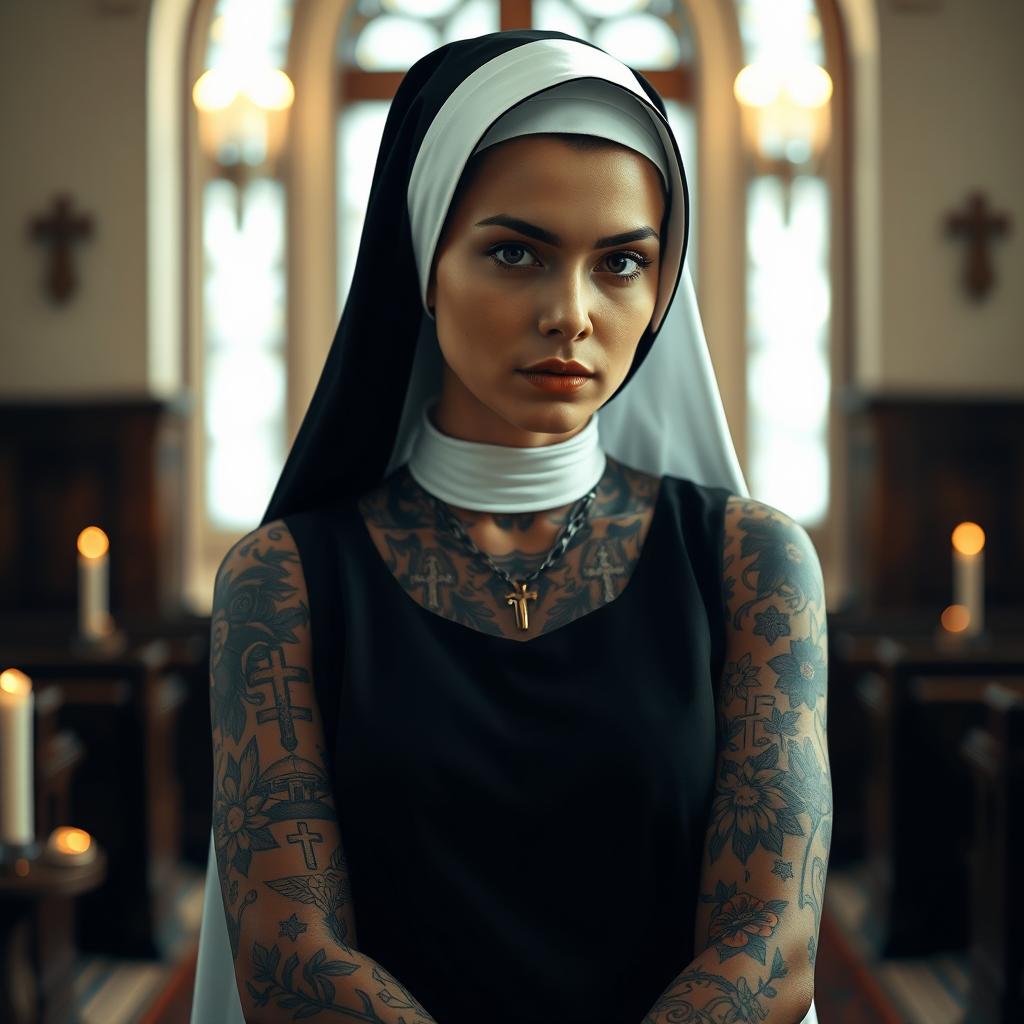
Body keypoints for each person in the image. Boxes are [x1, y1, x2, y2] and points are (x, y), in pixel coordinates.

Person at [191, 29, 828, 1024]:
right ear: (424, 265)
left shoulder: (751, 564)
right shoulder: (283, 580)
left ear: (661, 290)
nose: (570, 313)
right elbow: (290, 956)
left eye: (621, 261)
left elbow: (770, 947)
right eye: (515, 251)